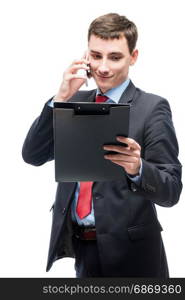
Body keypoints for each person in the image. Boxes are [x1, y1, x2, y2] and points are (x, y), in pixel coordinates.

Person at [22, 13, 182, 278]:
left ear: (133, 56)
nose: (103, 67)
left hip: (134, 257)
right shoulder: (73, 101)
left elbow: (172, 190)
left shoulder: (152, 108)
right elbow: (32, 155)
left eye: (115, 57)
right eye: (96, 56)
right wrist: (61, 98)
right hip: (83, 250)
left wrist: (138, 168)